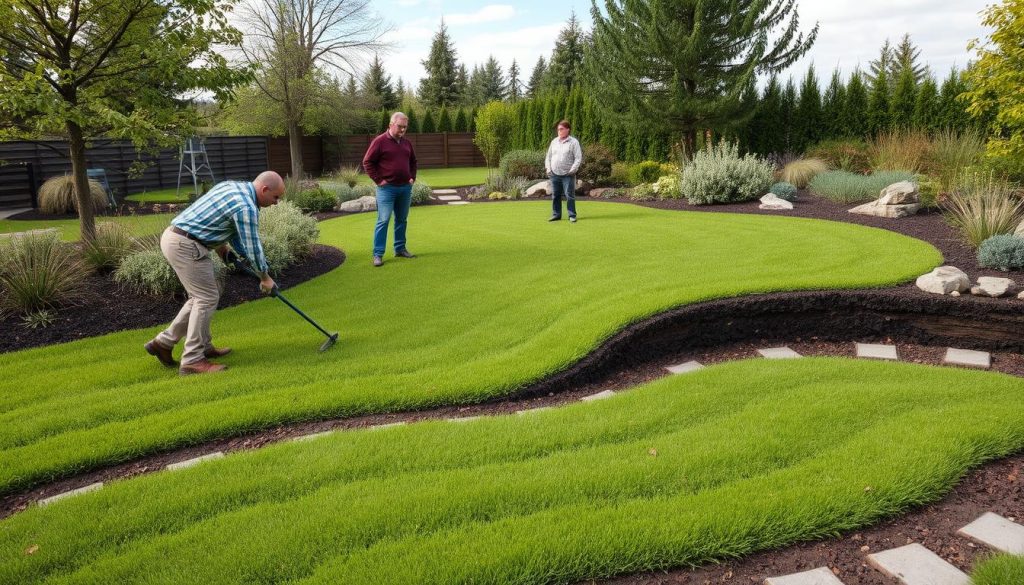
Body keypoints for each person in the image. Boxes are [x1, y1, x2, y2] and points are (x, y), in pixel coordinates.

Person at [144, 171, 285, 375]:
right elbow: (253, 246)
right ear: (264, 189)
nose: (276, 202)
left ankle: (165, 343)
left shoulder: (232, 187)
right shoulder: (246, 207)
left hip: (176, 237)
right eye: (276, 197)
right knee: (205, 298)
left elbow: (220, 223)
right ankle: (192, 359)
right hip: (187, 244)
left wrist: (223, 248)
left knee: (204, 296)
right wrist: (265, 277)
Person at [362, 111, 418, 267]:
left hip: (405, 188)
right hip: (387, 189)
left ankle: (400, 248)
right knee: (383, 220)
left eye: (405, 127)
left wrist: (412, 177)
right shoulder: (379, 141)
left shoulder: (407, 143)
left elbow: (413, 161)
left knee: (402, 220)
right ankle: (378, 254)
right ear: (390, 125)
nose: (402, 130)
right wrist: (379, 181)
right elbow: (367, 162)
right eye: (400, 126)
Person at [545, 119, 584, 223]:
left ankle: (572, 215)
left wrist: (573, 170)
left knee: (569, 195)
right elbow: (548, 157)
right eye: (558, 129)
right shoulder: (554, 141)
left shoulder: (574, 142)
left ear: (568, 129)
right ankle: (556, 215)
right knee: (555, 195)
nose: (559, 131)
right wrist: (548, 168)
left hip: (568, 174)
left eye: (561, 129)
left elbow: (578, 158)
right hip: (554, 173)